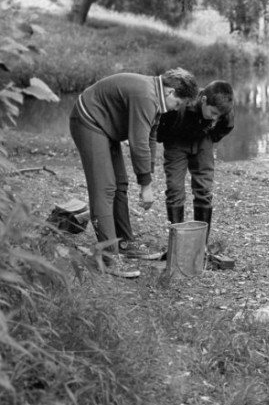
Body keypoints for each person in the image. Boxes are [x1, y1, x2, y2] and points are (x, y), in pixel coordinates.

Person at [69, 68, 199, 278]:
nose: (177, 109)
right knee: (104, 188)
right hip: (88, 120)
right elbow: (138, 143)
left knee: (120, 184)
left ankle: (124, 242)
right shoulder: (146, 96)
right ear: (171, 92)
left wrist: (148, 177)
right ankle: (108, 257)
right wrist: (145, 186)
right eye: (179, 104)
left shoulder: (156, 97)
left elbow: (150, 138)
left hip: (105, 126)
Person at [157, 80, 234, 249]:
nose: (215, 117)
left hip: (203, 141)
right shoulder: (183, 103)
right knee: (175, 189)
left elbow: (227, 126)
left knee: (204, 190)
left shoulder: (223, 110)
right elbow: (160, 125)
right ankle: (176, 245)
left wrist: (210, 136)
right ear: (204, 100)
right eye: (213, 112)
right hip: (176, 142)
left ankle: (201, 245)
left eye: (218, 116)